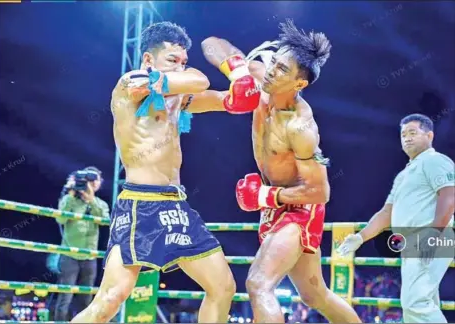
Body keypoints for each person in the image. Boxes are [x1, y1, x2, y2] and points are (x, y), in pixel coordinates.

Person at [71, 21, 261, 323]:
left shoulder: (175, 97)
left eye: (183, 62)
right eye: (173, 60)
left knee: (223, 286)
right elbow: (198, 80)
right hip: (140, 205)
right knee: (110, 299)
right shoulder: (131, 84)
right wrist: (235, 67)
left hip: (176, 205)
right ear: (149, 59)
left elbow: (227, 101)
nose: (180, 67)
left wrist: (243, 90)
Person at [198, 19, 361, 323]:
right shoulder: (261, 79)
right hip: (276, 205)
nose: (272, 70)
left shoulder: (300, 126)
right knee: (315, 295)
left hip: (300, 208)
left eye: (283, 69)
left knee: (259, 284)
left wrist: (265, 195)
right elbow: (211, 42)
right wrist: (236, 69)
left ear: (300, 83)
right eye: (274, 62)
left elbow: (320, 191)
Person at [338, 113, 455, 323]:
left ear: (430, 136)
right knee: (421, 304)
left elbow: (449, 195)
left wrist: (434, 233)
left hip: (430, 236)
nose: (407, 138)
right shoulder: (404, 175)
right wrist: (360, 237)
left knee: (415, 303)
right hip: (413, 242)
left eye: (413, 133)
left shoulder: (435, 161)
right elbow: (386, 213)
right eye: (403, 135)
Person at [54, 166, 109, 321]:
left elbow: (105, 221)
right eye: (88, 181)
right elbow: (60, 219)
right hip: (69, 255)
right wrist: (70, 193)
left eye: (94, 181)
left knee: (86, 299)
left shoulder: (100, 204)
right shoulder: (69, 200)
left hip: (89, 256)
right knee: (65, 298)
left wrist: (91, 199)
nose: (91, 184)